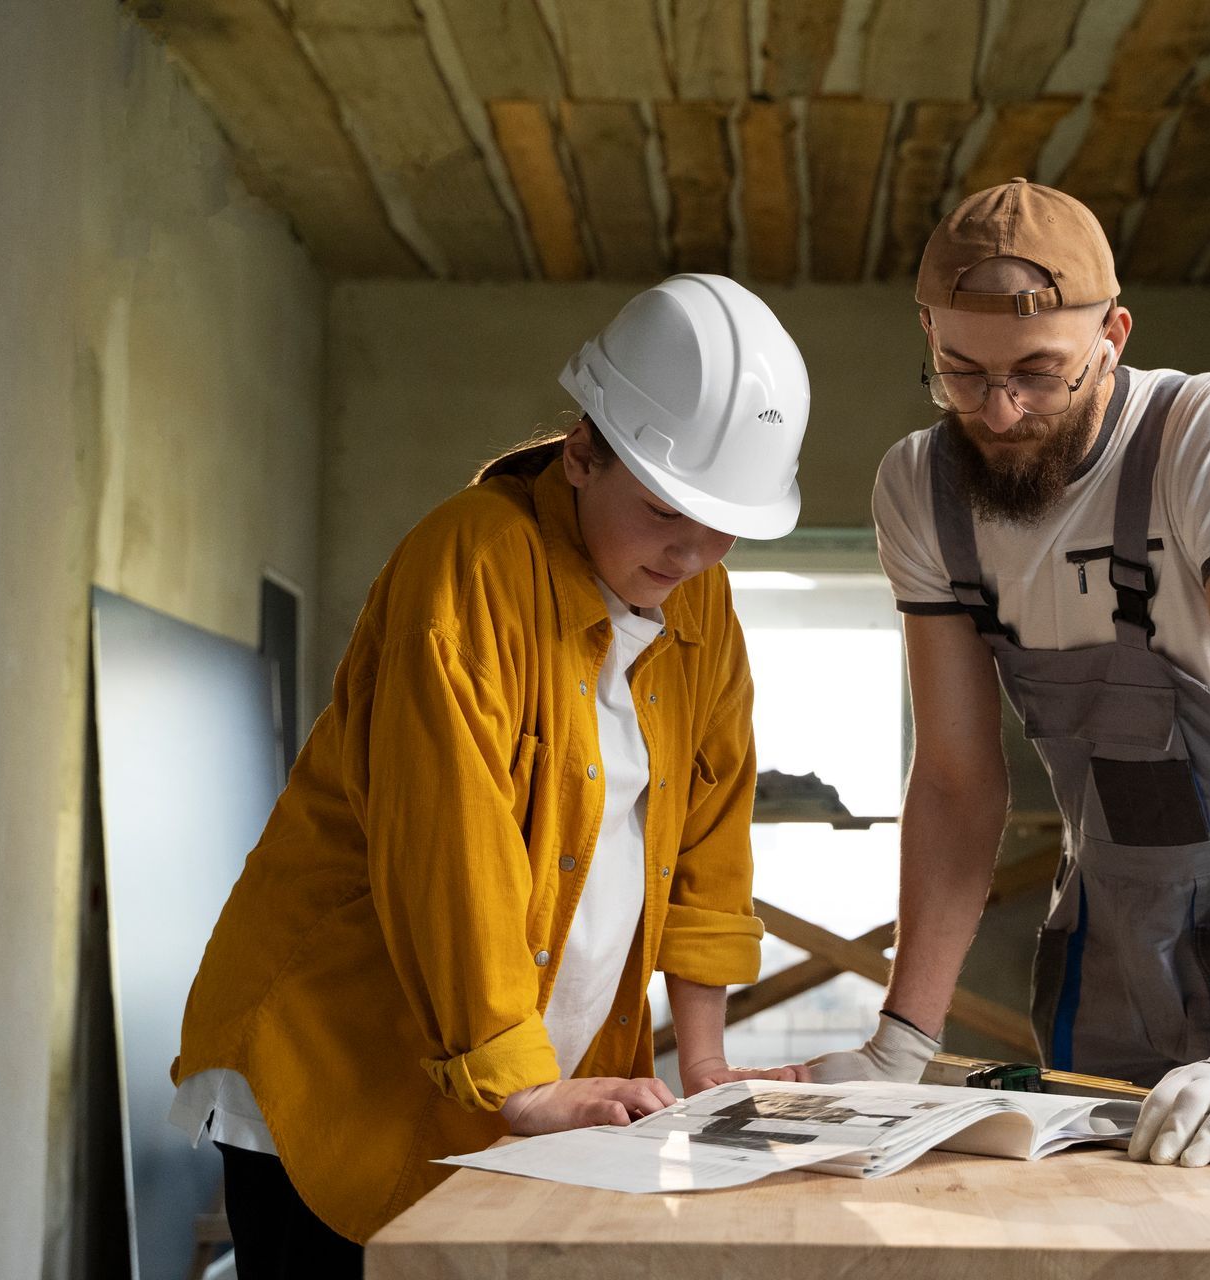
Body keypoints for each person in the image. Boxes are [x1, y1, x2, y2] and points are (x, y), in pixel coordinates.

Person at [807, 179, 1210, 1273]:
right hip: (1108, 930)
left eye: (1038, 372)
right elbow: (953, 780)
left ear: (1112, 335)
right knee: (1100, 1236)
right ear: (928, 335)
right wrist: (901, 1043)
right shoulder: (918, 487)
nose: (999, 412)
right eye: (963, 372)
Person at [169, 274, 814, 1276]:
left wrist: (707, 1059)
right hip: (341, 1058)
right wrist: (521, 1088)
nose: (694, 552)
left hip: (524, 1077)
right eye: (664, 511)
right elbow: (448, 845)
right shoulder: (469, 562)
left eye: (726, 524)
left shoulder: (703, 607)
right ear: (582, 454)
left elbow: (709, 842)